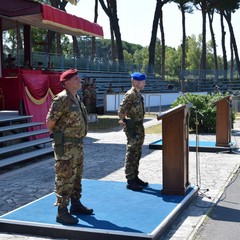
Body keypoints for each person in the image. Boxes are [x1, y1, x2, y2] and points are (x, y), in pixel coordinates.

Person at [46, 68, 93, 225]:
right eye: (75, 79)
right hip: (66, 146)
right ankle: (62, 212)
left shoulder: (76, 98)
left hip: (77, 145)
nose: (79, 80)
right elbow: (50, 123)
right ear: (66, 82)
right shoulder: (61, 99)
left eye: (78, 78)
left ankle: (75, 204)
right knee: (64, 177)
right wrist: (62, 136)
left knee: (77, 176)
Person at [118, 72, 148, 191]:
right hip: (132, 127)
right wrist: (122, 120)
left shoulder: (138, 94)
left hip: (139, 126)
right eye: (142, 81)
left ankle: (135, 176)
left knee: (137, 152)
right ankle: (130, 179)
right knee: (131, 152)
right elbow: (121, 110)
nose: (144, 83)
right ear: (135, 82)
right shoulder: (130, 94)